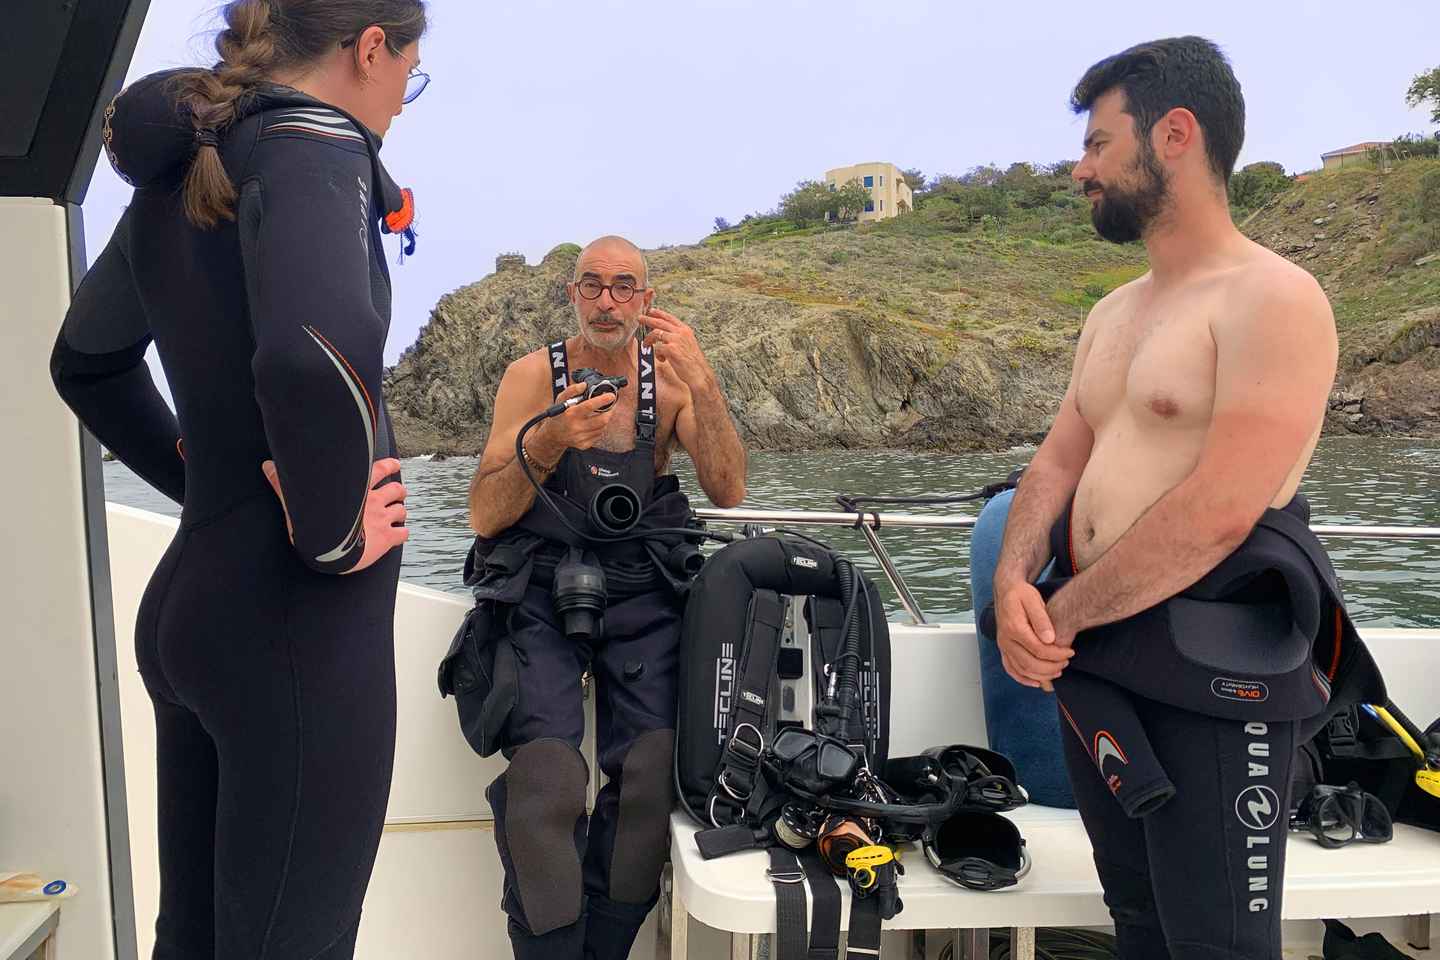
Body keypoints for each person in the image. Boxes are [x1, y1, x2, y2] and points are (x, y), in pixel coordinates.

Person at [50, 2, 428, 956]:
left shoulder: (189, 174)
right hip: (294, 626)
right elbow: (311, 354)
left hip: (197, 605)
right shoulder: (313, 146)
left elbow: (85, 365)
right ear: (369, 48)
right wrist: (330, 527)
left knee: (196, 941)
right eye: (409, 77)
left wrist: (213, 486)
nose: (402, 102)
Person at [992, 37, 1360, 958]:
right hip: (1102, 659)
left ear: (1175, 134)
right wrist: (1011, 589)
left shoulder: (1274, 298)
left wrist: (1055, 617)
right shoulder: (1113, 313)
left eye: (1098, 144)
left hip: (1211, 665)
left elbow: (1222, 508)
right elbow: (1051, 469)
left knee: (1217, 943)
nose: (1080, 170)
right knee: (1141, 925)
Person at [466, 235, 747, 960]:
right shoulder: (532, 377)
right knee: (546, 782)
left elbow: (729, 489)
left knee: (653, 773)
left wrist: (706, 382)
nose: (608, 302)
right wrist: (551, 438)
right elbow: (484, 515)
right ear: (573, 294)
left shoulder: (673, 382)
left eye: (625, 287)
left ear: (647, 301)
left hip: (641, 588)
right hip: (539, 587)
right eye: (592, 285)